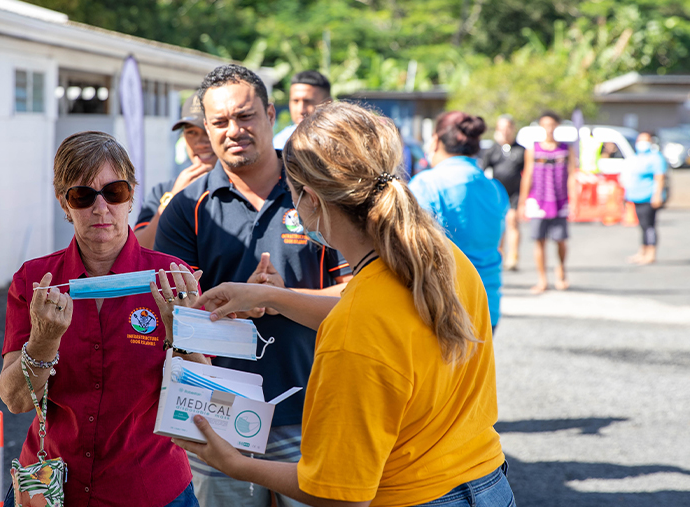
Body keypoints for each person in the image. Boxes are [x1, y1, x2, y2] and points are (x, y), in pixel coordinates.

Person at [172, 101, 514, 507]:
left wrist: (236, 464)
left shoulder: (354, 330)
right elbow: (387, 325)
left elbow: (340, 496)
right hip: (487, 484)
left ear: (310, 200)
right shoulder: (442, 261)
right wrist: (270, 296)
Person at [153, 64, 352, 507]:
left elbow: (360, 301)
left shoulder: (322, 191)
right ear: (206, 128)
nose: (234, 130)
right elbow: (175, 320)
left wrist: (274, 298)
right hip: (217, 414)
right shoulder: (188, 207)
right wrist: (231, 308)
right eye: (220, 122)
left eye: (245, 116)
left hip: (317, 409)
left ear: (272, 114)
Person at [0, 131, 208, 507]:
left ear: (131, 199)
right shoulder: (35, 280)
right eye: (83, 196)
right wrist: (43, 341)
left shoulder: (172, 280)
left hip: (149, 487)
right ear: (65, 204)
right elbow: (15, 401)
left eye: (115, 192)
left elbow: (200, 399)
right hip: (52, 489)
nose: (100, 208)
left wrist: (182, 332)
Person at [410, 111, 509, 331]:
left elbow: (412, 249)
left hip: (442, 307)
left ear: (435, 140)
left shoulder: (426, 184)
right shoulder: (495, 188)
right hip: (487, 305)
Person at [135, 93, 217, 249]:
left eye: (207, 131)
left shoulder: (242, 187)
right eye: (191, 132)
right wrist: (172, 200)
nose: (200, 142)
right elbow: (138, 252)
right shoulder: (163, 191)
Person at [518, 111, 575, 294]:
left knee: (560, 239)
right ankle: (542, 279)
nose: (549, 129)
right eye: (545, 125)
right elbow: (528, 174)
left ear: (557, 126)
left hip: (560, 200)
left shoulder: (566, 149)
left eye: (552, 124)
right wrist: (522, 202)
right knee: (539, 240)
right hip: (539, 199)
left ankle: (561, 271)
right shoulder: (533, 149)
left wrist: (574, 199)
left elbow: (572, 174)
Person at [481, 114, 526, 271]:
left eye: (508, 128)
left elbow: (528, 175)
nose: (505, 132)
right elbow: (481, 171)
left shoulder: (521, 150)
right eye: (502, 129)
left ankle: (513, 256)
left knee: (512, 221)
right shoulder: (492, 150)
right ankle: (499, 254)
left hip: (515, 193)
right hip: (497, 194)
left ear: (513, 129)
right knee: (499, 224)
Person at [622, 132, 667, 264]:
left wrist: (657, 195)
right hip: (637, 196)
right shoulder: (637, 157)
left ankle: (651, 253)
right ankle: (642, 251)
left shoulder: (656, 158)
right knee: (642, 226)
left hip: (649, 197)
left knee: (649, 226)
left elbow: (660, 177)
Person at [272, 70, 331, 149]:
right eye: (295, 101)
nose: (301, 110)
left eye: (308, 102)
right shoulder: (281, 142)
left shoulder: (340, 141)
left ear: (327, 103)